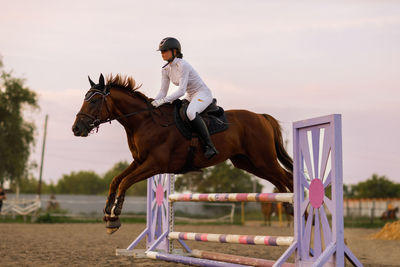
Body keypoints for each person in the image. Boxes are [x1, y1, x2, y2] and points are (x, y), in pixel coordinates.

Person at [151, 37, 218, 159]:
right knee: (176, 111)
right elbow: (162, 92)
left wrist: (162, 101)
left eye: (165, 50)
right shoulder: (165, 69)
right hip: (190, 95)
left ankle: (210, 146)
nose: (162, 53)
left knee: (191, 113)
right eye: (161, 51)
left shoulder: (183, 65)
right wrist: (153, 102)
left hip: (202, 93)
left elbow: (181, 91)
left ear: (175, 51)